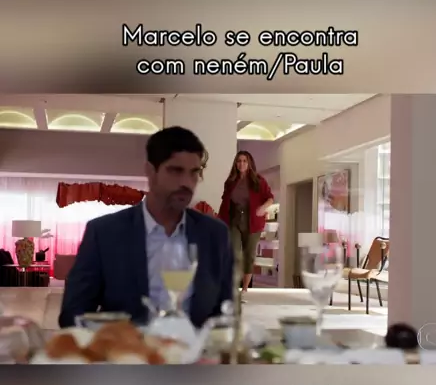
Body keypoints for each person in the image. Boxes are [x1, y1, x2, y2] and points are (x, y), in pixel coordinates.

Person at [58, 126, 234, 329]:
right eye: (175, 171)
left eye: (194, 173)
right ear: (150, 171)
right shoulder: (105, 233)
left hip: (196, 347)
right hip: (129, 347)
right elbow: (73, 315)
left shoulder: (215, 235)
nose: (187, 183)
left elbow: (226, 313)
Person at [218, 151, 274, 300]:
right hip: (234, 220)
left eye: (244, 161)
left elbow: (270, 198)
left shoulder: (258, 181)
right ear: (235, 164)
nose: (241, 164)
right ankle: (233, 289)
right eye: (239, 161)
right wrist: (219, 220)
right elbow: (225, 202)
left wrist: (262, 208)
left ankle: (244, 289)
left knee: (249, 255)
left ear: (249, 163)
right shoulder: (230, 182)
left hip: (253, 221)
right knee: (235, 254)